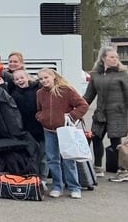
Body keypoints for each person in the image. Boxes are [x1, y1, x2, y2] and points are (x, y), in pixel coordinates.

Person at [36, 68, 89, 198]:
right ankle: (56, 186)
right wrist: (40, 117)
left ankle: (74, 187)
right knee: (52, 159)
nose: (44, 81)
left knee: (68, 159)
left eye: (46, 77)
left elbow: (83, 105)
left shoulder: (66, 90)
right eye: (41, 79)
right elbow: (39, 109)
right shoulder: (40, 93)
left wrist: (71, 116)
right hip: (49, 130)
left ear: (53, 76)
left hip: (65, 130)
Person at [84, 46, 128, 181]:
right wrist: (77, 109)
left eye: (116, 57)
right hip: (100, 113)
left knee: (116, 141)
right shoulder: (95, 75)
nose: (115, 59)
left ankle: (123, 171)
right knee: (96, 138)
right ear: (103, 58)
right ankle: (97, 167)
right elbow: (88, 96)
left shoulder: (123, 74)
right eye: (112, 57)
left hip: (117, 113)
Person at [10, 69, 47, 181]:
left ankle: (43, 178)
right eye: (17, 79)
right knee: (30, 155)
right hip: (26, 129)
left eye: (22, 78)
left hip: (41, 127)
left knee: (43, 155)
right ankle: (32, 177)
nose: (20, 80)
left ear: (28, 78)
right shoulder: (14, 94)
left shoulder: (38, 90)